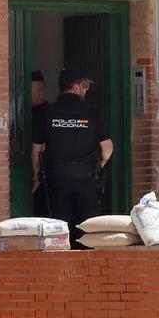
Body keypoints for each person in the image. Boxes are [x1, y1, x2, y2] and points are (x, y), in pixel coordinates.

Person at [31, 67, 113, 249]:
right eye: (84, 85)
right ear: (75, 87)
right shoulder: (92, 112)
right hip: (86, 179)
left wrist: (36, 176)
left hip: (57, 180)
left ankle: (60, 266)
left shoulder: (48, 113)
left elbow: (36, 151)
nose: (86, 89)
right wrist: (99, 164)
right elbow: (107, 148)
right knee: (90, 229)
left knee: (59, 229)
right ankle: (90, 269)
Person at [28, 70, 50, 216]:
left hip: (44, 173)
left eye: (39, 87)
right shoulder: (25, 111)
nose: (39, 90)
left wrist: (36, 176)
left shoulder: (48, 113)